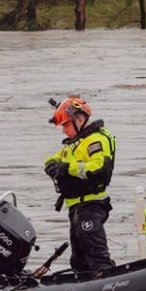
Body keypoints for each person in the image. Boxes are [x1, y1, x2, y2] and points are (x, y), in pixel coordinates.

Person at [44, 95, 116, 273]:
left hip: (91, 205)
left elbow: (98, 167)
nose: (64, 131)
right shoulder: (76, 143)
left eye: (66, 125)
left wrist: (67, 168)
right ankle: (85, 286)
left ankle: (106, 282)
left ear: (80, 119)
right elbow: (59, 157)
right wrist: (51, 165)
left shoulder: (95, 141)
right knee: (79, 258)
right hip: (76, 206)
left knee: (95, 253)